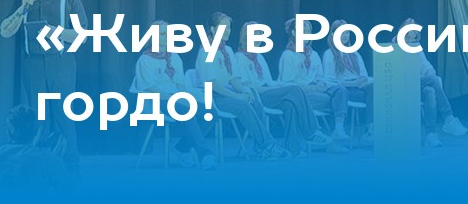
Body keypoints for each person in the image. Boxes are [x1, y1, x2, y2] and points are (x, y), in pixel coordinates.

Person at [0, 0, 87, 174]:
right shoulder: (23, 1)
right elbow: (5, 31)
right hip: (33, 65)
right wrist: (22, 8)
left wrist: (55, 32)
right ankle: (39, 166)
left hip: (61, 63)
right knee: (38, 118)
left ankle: (72, 167)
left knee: (64, 116)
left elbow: (83, 35)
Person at [195, 12, 288, 160]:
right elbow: (211, 84)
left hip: (228, 92)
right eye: (223, 27)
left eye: (229, 28)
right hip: (213, 96)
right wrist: (237, 96)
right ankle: (268, 145)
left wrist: (244, 91)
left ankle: (260, 148)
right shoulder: (206, 50)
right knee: (242, 105)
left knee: (253, 99)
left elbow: (233, 79)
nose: (227, 31)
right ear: (213, 29)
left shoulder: (227, 51)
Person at [232, 21, 329, 154]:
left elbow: (268, 81)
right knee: (294, 90)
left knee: (290, 103)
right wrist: (273, 89)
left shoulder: (259, 57)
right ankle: (311, 131)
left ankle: (293, 147)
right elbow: (248, 88)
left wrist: (278, 86)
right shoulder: (239, 57)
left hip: (268, 91)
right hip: (257, 96)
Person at [132, 21, 217, 170]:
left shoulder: (174, 58)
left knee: (210, 113)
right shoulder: (144, 60)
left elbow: (180, 85)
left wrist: (186, 97)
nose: (166, 36)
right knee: (187, 111)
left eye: (168, 34)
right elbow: (149, 87)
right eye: (162, 33)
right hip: (156, 100)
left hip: (176, 98)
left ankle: (181, 149)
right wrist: (173, 98)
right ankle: (204, 153)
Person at [278, 18, 353, 149]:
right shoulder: (288, 55)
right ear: (294, 33)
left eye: (309, 31)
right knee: (335, 102)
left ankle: (336, 132)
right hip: (300, 94)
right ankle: (331, 143)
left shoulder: (314, 55)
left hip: (316, 92)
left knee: (339, 91)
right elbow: (288, 86)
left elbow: (320, 77)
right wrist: (312, 88)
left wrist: (322, 84)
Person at [394, 17, 468, 147]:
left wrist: (429, 72)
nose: (411, 39)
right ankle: (448, 118)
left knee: (430, 91)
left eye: (413, 35)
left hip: (417, 84)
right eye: (408, 35)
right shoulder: (393, 47)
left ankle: (431, 135)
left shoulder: (415, 47)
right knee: (433, 81)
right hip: (402, 84)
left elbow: (425, 65)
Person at [0, 105, 71, 191]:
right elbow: (69, 189)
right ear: (36, 131)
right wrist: (57, 161)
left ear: (9, 130)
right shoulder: (48, 159)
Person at [322, 19, 375, 145]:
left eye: (347, 32)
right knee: (341, 91)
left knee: (374, 87)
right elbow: (330, 79)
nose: (345, 35)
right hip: (342, 89)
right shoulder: (329, 54)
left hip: (357, 89)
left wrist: (363, 80)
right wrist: (353, 83)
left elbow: (363, 74)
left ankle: (371, 128)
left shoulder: (355, 54)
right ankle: (338, 129)